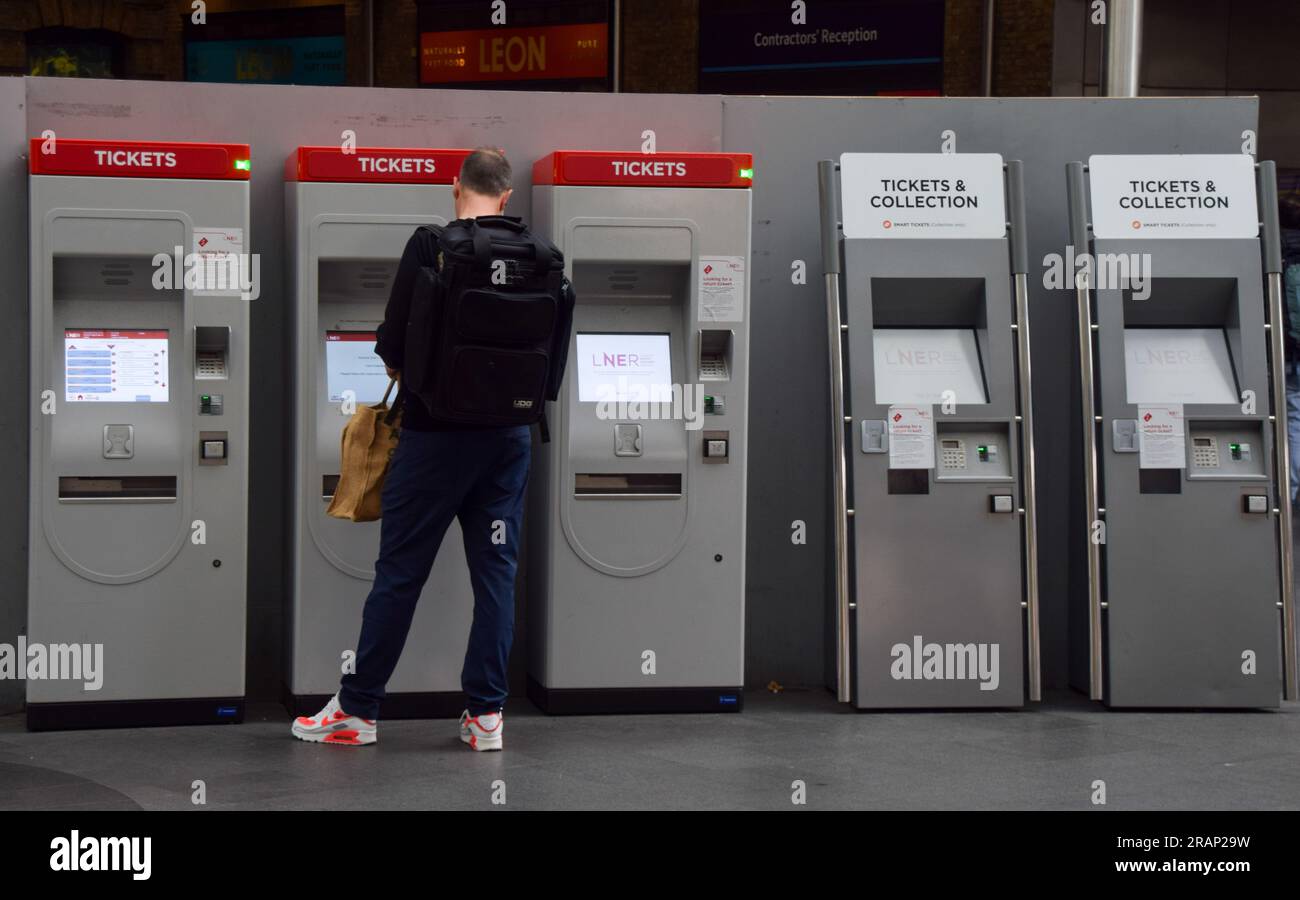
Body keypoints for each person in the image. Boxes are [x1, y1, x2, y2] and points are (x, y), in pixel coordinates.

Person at [292, 147, 529, 751]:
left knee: (400, 573)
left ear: (456, 190)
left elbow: (392, 342)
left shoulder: (433, 245)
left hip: (434, 441)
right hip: (507, 444)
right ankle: (486, 718)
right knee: (496, 576)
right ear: (506, 197)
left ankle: (358, 708)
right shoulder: (538, 256)